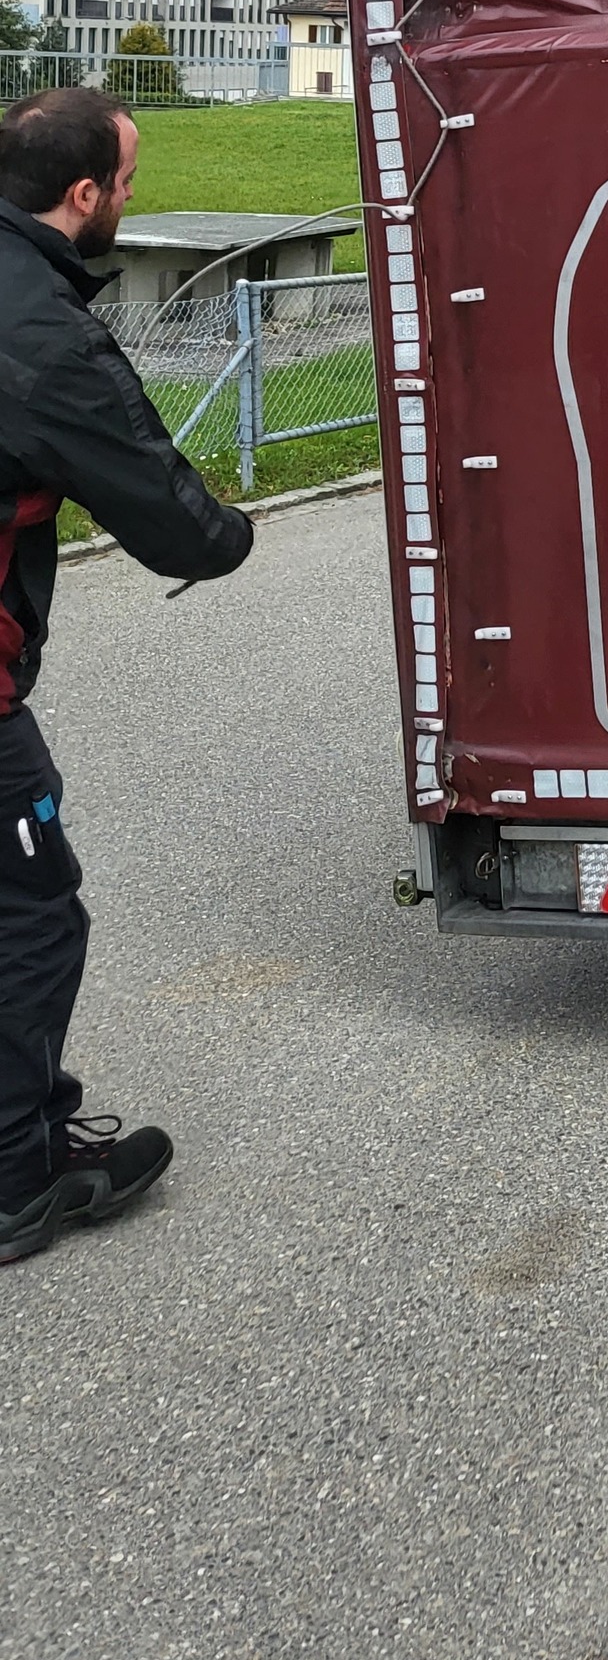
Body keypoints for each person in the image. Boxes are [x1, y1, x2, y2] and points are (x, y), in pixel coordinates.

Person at [0, 88, 253, 1266]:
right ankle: (18, 1175)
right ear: (85, 194)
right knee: (32, 912)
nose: (131, 197)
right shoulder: (39, 332)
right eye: (129, 181)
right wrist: (225, 533)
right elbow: (170, 516)